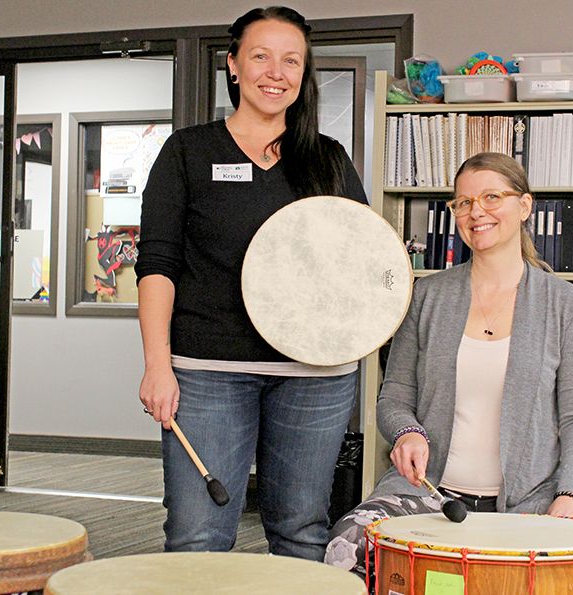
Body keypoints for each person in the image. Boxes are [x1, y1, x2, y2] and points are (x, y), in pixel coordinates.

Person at [135, 6, 367, 561]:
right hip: (209, 371)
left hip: (315, 374)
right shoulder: (188, 153)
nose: (275, 71)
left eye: (292, 60)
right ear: (234, 65)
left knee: (302, 533)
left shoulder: (328, 159)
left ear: (304, 75)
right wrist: (156, 364)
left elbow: (360, 261)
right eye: (260, 56)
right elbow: (157, 265)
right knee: (198, 536)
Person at [325, 152, 573, 578]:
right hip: (430, 494)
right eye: (464, 203)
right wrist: (408, 432)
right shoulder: (427, 297)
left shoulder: (565, 304)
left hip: (533, 500)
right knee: (346, 546)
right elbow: (394, 397)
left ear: (525, 206)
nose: (477, 212)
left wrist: (572, 495)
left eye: (492, 197)